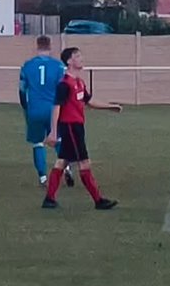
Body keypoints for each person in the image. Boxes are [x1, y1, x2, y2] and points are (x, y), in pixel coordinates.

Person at [41, 47, 120, 210]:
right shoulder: (65, 84)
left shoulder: (79, 82)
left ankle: (49, 199)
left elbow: (89, 101)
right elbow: (56, 107)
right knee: (84, 162)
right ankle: (98, 201)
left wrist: (110, 107)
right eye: (77, 56)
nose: (81, 58)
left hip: (77, 127)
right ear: (69, 62)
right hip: (70, 127)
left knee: (62, 161)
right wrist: (54, 132)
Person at [18, 36, 73, 187]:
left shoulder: (27, 66)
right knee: (58, 139)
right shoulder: (59, 67)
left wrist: (25, 107)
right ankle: (66, 167)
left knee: (37, 143)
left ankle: (43, 177)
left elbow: (22, 91)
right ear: (50, 47)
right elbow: (64, 89)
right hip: (53, 109)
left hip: (34, 110)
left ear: (37, 47)